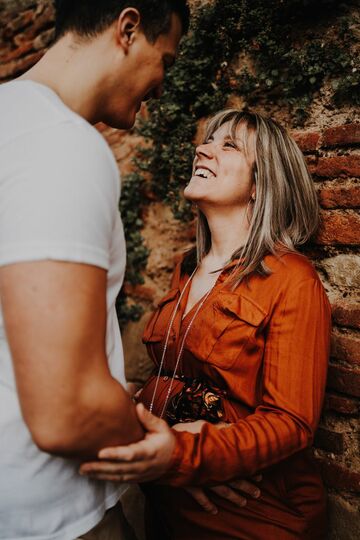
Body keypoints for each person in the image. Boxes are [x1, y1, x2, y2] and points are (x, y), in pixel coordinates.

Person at [81, 109, 332, 539]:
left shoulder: (293, 278)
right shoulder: (187, 267)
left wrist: (185, 455)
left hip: (249, 519)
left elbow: (291, 422)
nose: (203, 148)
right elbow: (170, 377)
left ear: (260, 184)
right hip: (168, 508)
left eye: (228, 145)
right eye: (207, 140)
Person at [0, 1, 189, 539]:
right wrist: (160, 446)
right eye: (167, 61)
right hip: (51, 517)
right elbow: (67, 411)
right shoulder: (58, 145)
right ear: (128, 29)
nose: (162, 84)